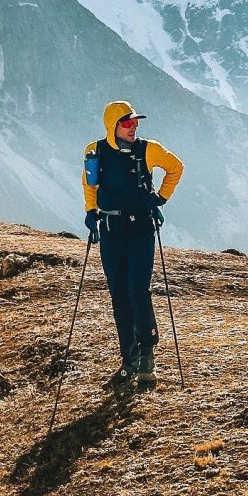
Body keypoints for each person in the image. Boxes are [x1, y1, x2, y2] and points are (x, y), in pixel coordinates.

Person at [82, 100, 183, 385]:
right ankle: (129, 360)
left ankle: (147, 354)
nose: (134, 127)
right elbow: (89, 184)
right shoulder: (95, 151)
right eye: (127, 123)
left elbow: (176, 167)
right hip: (111, 232)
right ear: (112, 126)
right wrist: (91, 212)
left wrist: (159, 198)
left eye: (135, 122)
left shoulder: (148, 149)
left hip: (140, 231)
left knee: (138, 291)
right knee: (119, 296)